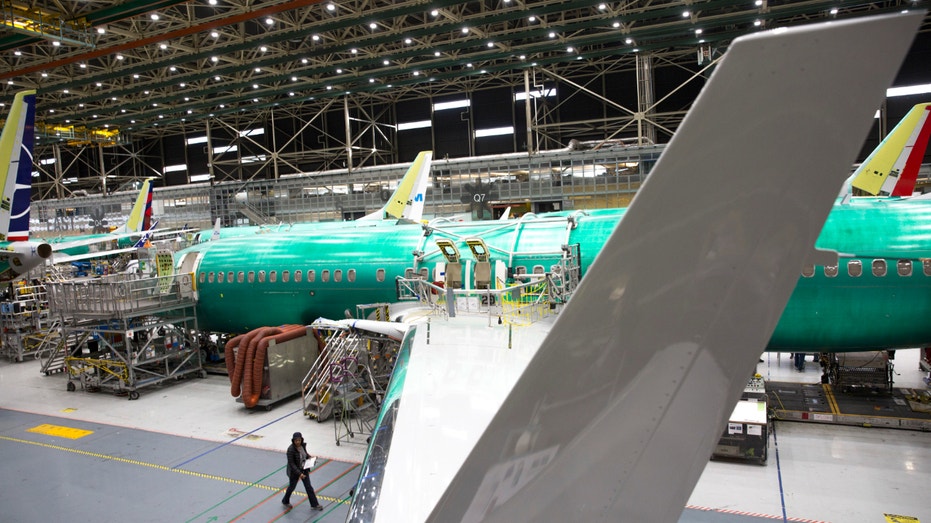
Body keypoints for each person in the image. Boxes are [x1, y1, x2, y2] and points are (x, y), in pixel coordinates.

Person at [281, 432, 323, 511]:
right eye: (296, 440)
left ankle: (314, 504)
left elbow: (305, 454)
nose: (298, 442)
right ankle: (285, 501)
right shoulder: (290, 450)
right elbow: (292, 464)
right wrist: (299, 474)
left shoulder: (302, 446)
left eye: (299, 440)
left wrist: (310, 457)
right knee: (291, 487)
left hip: (304, 469)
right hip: (294, 472)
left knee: (308, 487)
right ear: (293, 441)